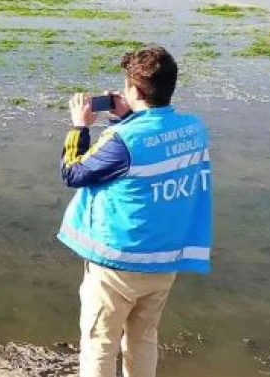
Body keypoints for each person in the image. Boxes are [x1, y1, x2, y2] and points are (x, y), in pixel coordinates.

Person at [57, 45, 212, 377]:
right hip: (164, 259)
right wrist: (130, 114)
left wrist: (80, 127)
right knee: (143, 338)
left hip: (117, 262)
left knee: (100, 342)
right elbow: (150, 148)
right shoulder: (194, 130)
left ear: (134, 89)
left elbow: (73, 172)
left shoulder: (121, 141)